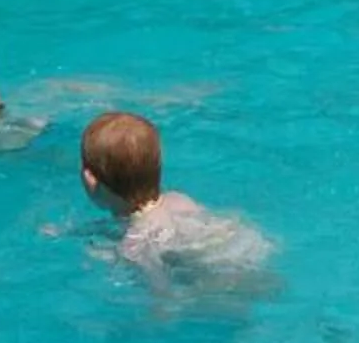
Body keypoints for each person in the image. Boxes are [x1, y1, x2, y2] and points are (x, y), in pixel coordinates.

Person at [80, 110, 275, 280]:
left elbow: (160, 290)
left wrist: (159, 315)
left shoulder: (135, 244)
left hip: (221, 274)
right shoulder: (177, 199)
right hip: (246, 244)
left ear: (90, 180)